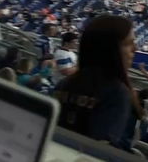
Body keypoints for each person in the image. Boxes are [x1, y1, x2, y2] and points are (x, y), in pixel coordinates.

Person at [52, 15, 140, 150]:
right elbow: (101, 151)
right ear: (110, 50)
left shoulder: (63, 84)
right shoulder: (117, 93)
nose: (135, 49)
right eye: (128, 43)